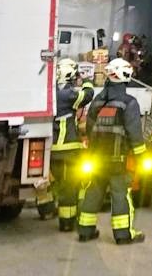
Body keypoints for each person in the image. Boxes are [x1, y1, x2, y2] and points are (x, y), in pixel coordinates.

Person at [77, 58, 147, 244]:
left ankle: (85, 230)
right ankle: (123, 234)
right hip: (118, 160)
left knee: (94, 191)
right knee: (120, 193)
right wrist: (141, 157)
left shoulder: (97, 102)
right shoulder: (129, 103)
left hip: (96, 159)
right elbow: (135, 134)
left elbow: (90, 130)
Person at [36, 58, 94, 230]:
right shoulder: (67, 95)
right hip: (68, 149)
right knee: (69, 186)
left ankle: (46, 210)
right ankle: (67, 222)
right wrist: (87, 81)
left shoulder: (50, 93)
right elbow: (87, 96)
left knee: (53, 182)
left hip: (52, 150)